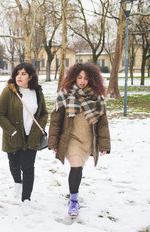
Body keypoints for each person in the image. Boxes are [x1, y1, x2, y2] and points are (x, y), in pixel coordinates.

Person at [48, 62, 111, 216]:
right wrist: (53, 142)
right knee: (75, 166)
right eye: (79, 77)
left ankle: (74, 196)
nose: (82, 81)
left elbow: (102, 123)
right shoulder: (65, 94)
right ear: (73, 78)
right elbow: (56, 120)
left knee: (79, 168)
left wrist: (104, 145)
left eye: (86, 78)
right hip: (71, 139)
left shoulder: (97, 98)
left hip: (88, 139)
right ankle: (74, 201)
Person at [0, 62, 48, 213]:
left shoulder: (37, 92)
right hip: (13, 136)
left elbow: (44, 113)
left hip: (31, 137)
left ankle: (26, 199)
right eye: (17, 73)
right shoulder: (9, 91)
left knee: (28, 167)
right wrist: (12, 131)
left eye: (23, 74)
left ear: (30, 76)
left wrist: (39, 130)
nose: (19, 76)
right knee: (14, 165)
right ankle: (17, 182)